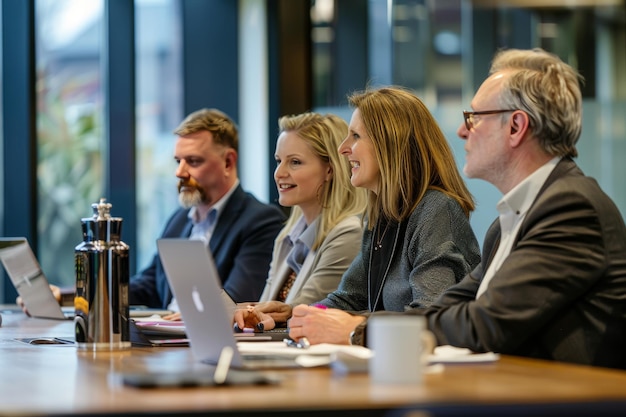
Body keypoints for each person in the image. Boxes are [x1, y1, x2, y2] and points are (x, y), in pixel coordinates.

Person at [299, 48, 626, 369]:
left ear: (516, 127)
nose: (461, 130)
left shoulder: (569, 208)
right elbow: (446, 309)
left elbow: (486, 322)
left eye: (474, 117)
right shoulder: (507, 224)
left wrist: (360, 332)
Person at [235, 86, 481, 333]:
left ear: (389, 143)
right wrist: (296, 314)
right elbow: (347, 299)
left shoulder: (436, 210)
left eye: (355, 136)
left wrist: (356, 325)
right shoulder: (384, 217)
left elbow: (430, 315)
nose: (343, 148)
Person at [130, 108, 285, 309]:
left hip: (211, 339)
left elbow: (236, 303)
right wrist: (98, 292)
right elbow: (148, 285)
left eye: (193, 161)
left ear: (228, 162)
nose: (180, 172)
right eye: (178, 161)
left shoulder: (261, 221)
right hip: (165, 336)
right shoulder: (179, 220)